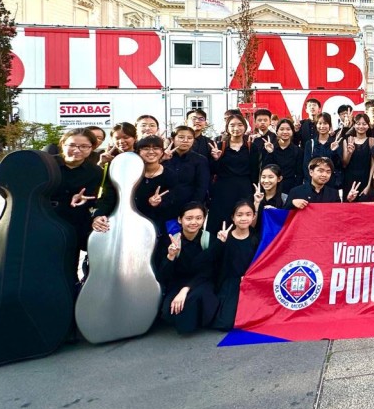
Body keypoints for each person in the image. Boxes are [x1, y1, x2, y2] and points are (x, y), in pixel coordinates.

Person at [92, 135, 178, 237]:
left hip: (154, 226)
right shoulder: (125, 172)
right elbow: (109, 197)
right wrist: (98, 216)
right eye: (146, 148)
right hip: (124, 222)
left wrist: (158, 203)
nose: (151, 152)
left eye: (156, 148)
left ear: (162, 151)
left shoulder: (170, 175)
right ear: (138, 151)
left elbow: (172, 201)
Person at [154, 202, 218, 334]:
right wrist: (170, 256)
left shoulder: (208, 239)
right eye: (189, 218)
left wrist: (185, 290)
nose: (194, 222)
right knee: (168, 312)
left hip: (201, 282)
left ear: (204, 219)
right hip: (177, 283)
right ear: (180, 219)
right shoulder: (171, 241)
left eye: (199, 218)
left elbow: (209, 272)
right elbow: (161, 276)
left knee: (191, 304)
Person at [52, 128, 105, 289]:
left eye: (84, 146)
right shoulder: (47, 164)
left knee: (68, 267)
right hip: (45, 221)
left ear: (92, 148)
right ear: (63, 144)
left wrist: (85, 200)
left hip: (73, 224)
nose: (77, 150)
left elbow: (94, 198)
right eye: (72, 145)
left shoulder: (95, 172)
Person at [211, 201, 259, 331]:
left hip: (251, 282)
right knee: (225, 323)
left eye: (248, 214)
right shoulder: (225, 237)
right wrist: (220, 243)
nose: (244, 218)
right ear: (233, 217)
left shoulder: (257, 239)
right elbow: (214, 262)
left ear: (253, 216)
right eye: (239, 215)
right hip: (230, 282)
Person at [207, 114, 254, 239]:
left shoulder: (251, 146)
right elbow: (213, 171)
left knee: (243, 220)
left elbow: (255, 170)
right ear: (227, 128)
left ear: (245, 127)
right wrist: (216, 159)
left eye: (240, 125)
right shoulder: (219, 145)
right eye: (232, 125)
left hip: (244, 188)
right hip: (223, 190)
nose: (236, 128)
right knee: (221, 222)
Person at [163, 125, 211, 206]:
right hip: (164, 204)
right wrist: (162, 159)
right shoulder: (162, 158)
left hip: (189, 205)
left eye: (190, 138)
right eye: (181, 137)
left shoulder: (200, 160)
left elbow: (202, 187)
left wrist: (194, 205)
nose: (185, 140)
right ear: (173, 139)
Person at [256, 118, 304, 192]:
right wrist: (270, 152)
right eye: (281, 129)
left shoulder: (298, 151)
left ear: (292, 131)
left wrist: (295, 191)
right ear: (277, 131)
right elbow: (264, 168)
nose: (285, 132)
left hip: (291, 188)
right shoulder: (270, 148)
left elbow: (299, 174)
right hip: (272, 188)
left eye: (288, 129)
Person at [340, 112, 374, 194]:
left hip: (366, 179)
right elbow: (344, 163)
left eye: (364, 124)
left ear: (368, 125)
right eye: (358, 124)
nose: (361, 126)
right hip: (349, 180)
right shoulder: (348, 140)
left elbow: (373, 165)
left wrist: (369, 185)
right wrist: (350, 153)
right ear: (354, 125)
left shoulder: (372, 141)